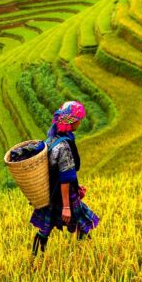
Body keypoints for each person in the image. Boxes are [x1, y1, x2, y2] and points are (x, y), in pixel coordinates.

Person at [30, 100, 99, 255]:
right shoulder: (64, 146)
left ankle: (36, 254)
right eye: (79, 119)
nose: (80, 122)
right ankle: (87, 251)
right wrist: (66, 207)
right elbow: (65, 176)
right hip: (62, 192)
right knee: (80, 218)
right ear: (72, 121)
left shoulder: (52, 138)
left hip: (51, 191)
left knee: (46, 224)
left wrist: (76, 186)